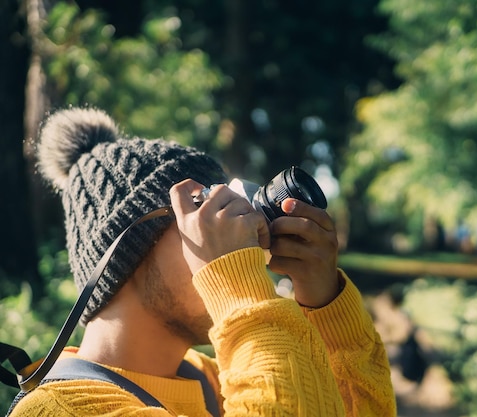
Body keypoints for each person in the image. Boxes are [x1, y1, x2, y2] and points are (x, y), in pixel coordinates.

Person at [9, 107, 395, 416]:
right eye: (207, 213)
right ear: (129, 250)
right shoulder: (59, 410)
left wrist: (323, 302)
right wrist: (238, 287)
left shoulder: (211, 379)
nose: (244, 232)